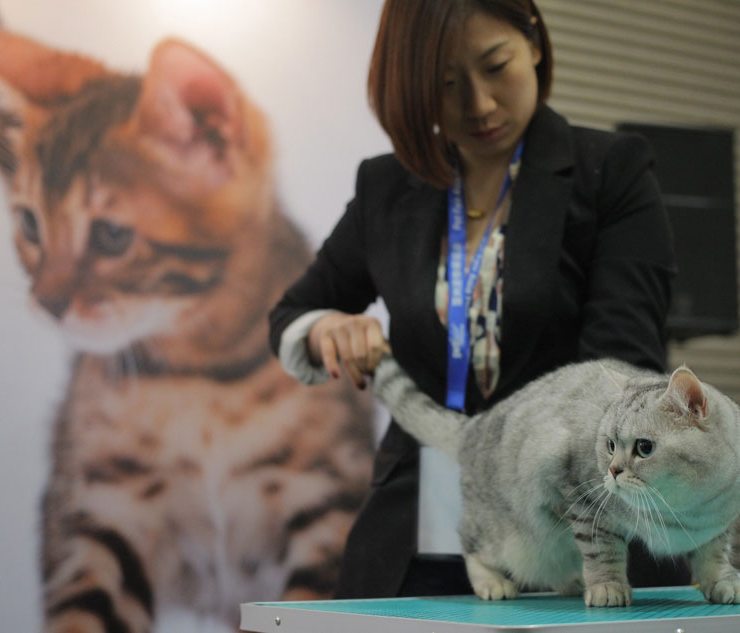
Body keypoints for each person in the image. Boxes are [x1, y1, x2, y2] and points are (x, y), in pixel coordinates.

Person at [268, 0, 685, 599]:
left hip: (579, 526)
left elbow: (621, 366)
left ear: (535, 43)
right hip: (419, 534)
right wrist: (323, 328)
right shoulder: (385, 188)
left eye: (496, 65)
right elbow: (292, 313)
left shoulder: (610, 173)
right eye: (444, 84)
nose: (479, 104)